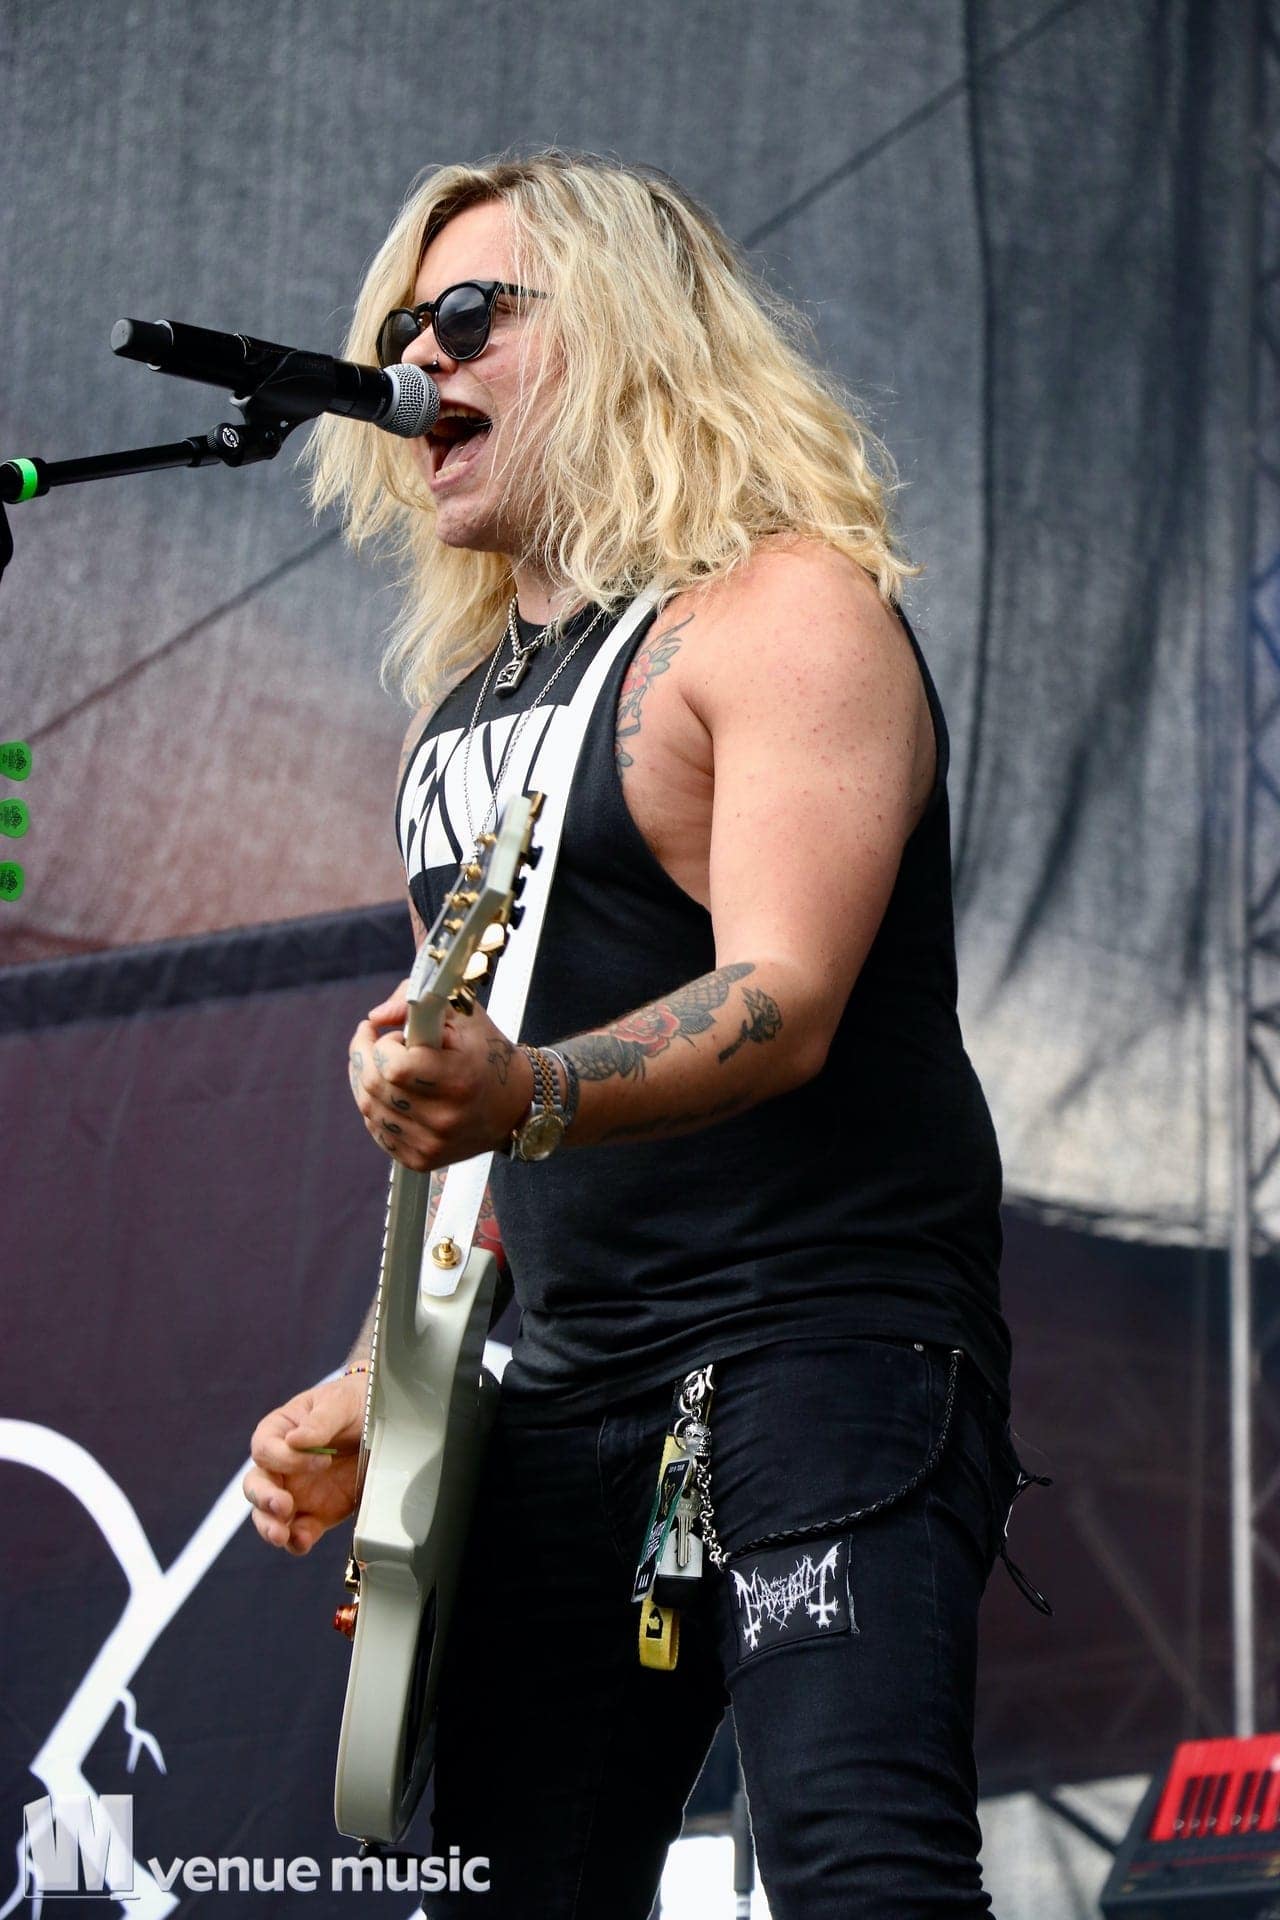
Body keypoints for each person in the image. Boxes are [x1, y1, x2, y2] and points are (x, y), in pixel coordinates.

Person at [244, 150, 1021, 1919]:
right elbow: (474, 1138)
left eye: (468, 317)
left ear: (625, 331)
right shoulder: (456, 721)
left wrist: (518, 1089)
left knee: (865, 1875)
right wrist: (378, 1378)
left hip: (817, 1350)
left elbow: (782, 1000)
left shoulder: (785, 612)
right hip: (568, 1388)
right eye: (399, 328)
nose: (418, 361)